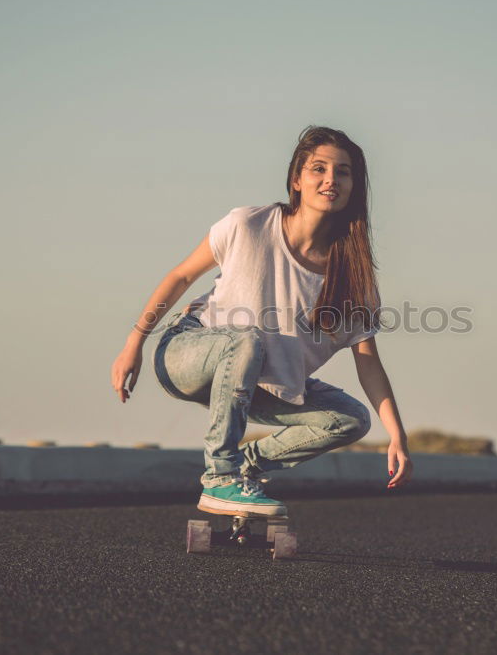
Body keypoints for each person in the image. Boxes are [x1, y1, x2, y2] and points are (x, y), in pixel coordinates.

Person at [110, 125, 413, 518]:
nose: (330, 180)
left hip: (258, 386)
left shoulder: (353, 276)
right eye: (318, 169)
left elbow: (367, 360)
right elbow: (181, 276)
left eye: (343, 172)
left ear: (355, 186)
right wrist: (133, 343)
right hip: (189, 353)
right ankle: (220, 476)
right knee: (247, 340)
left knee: (350, 419)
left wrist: (397, 434)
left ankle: (243, 468)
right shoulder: (248, 225)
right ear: (297, 180)